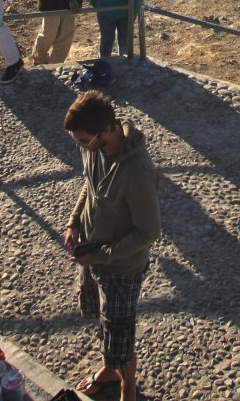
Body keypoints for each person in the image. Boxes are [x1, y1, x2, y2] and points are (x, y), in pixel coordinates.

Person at [63, 92, 160, 401]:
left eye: (82, 140)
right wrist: (74, 221)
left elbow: (148, 231)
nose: (80, 146)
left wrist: (104, 255)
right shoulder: (94, 147)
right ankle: (109, 369)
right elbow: (89, 184)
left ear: (106, 130)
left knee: (120, 332)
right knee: (102, 319)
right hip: (92, 255)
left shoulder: (138, 172)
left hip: (121, 267)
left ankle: (126, 385)